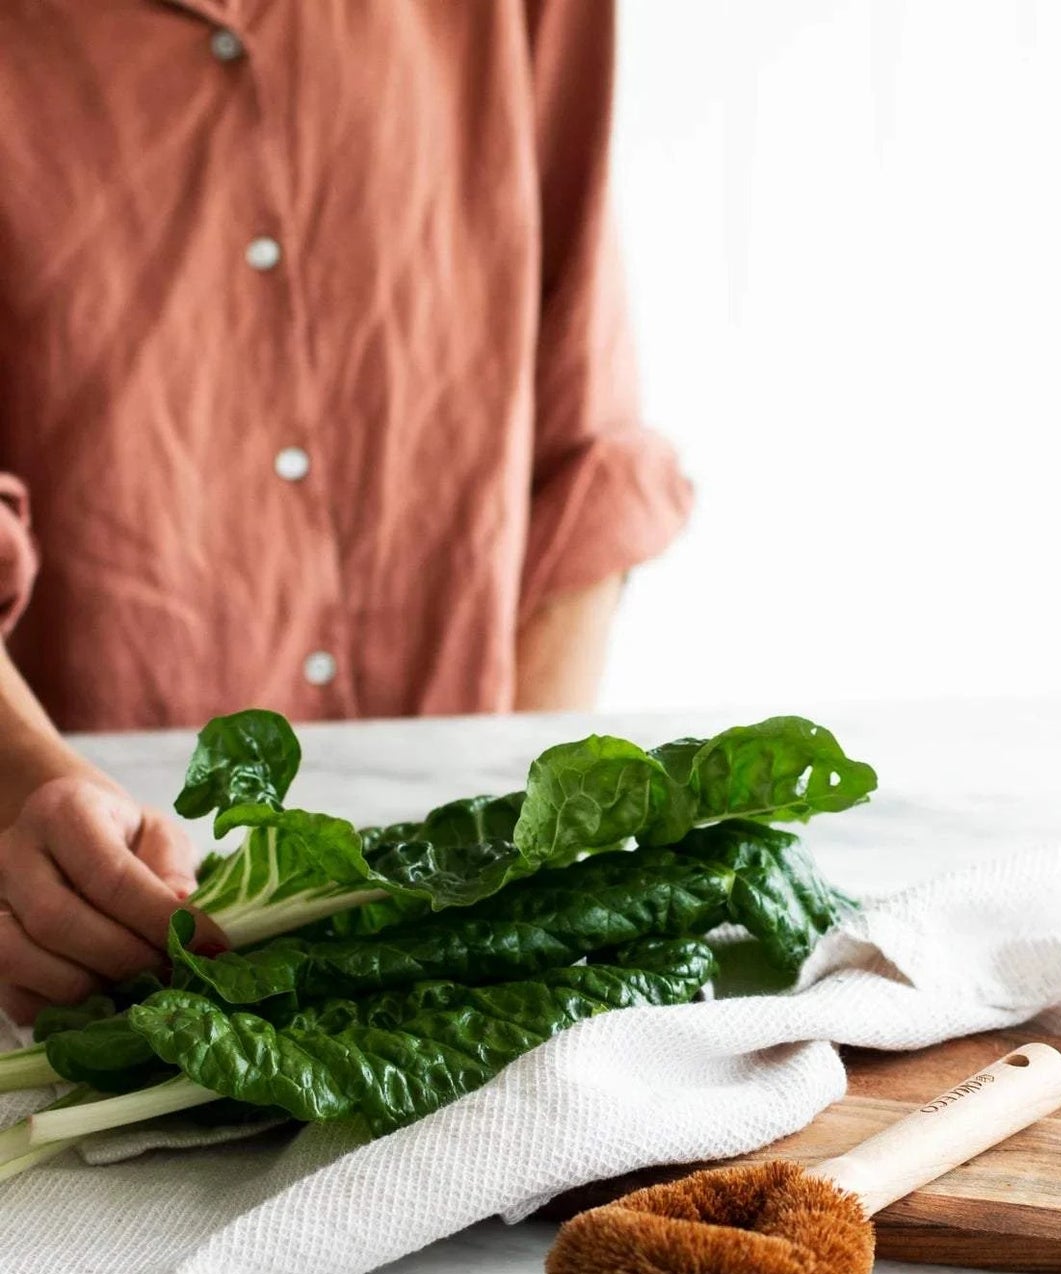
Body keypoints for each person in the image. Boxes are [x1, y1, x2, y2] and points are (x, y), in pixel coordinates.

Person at [0, 1, 692, 1023]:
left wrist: (522, 856)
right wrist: (18, 782)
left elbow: (582, 448)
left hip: (464, 931)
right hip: (88, 951)